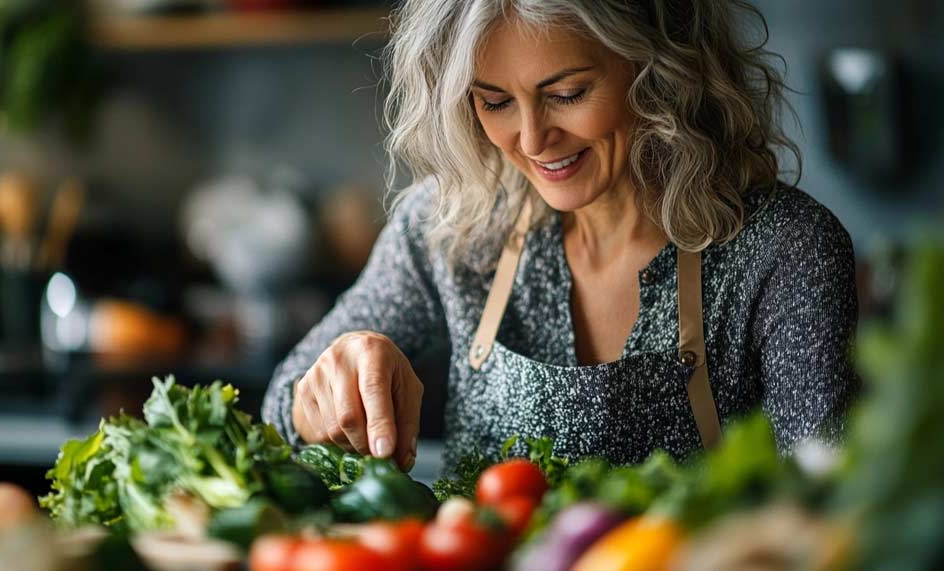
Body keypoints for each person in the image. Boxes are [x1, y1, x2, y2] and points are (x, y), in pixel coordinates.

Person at [262, 0, 859, 470]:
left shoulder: (784, 250)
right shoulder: (451, 226)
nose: (531, 138)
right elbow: (280, 413)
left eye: (567, 94)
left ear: (660, 67)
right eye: (494, 102)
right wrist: (331, 387)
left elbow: (827, 506)